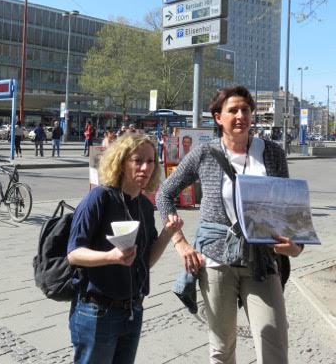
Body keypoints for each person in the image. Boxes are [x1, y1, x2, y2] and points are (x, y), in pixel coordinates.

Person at [156, 85, 303, 364]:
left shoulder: (272, 154)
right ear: (217, 118)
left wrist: (297, 247)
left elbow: (288, 210)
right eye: (232, 110)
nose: (240, 115)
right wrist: (180, 242)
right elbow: (164, 194)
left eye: (245, 109)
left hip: (261, 260)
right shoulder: (205, 153)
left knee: (275, 347)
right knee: (222, 350)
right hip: (215, 261)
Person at [67, 133, 183, 363]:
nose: (145, 167)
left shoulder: (143, 205)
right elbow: (74, 254)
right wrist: (110, 256)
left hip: (133, 310)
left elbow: (145, 261)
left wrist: (168, 233)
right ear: (121, 162)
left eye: (150, 161)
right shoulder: (99, 198)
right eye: (137, 160)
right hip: (97, 312)